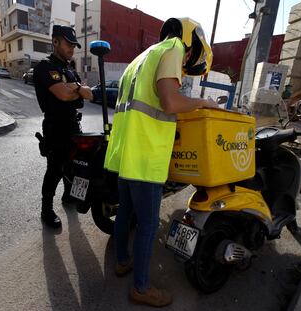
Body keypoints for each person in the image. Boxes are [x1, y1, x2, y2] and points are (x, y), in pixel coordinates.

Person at [104, 17, 218, 307]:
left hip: (126, 153)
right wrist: (203, 103)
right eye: (191, 56)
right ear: (190, 43)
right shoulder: (174, 48)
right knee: (149, 225)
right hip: (146, 155)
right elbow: (170, 102)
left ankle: (121, 261)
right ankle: (141, 288)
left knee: (127, 213)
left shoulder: (140, 59)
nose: (186, 63)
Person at [34, 25, 93, 228]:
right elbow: (63, 94)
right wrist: (77, 90)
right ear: (55, 41)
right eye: (68, 44)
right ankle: (46, 210)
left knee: (76, 165)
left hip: (73, 126)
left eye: (74, 45)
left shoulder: (69, 69)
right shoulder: (45, 66)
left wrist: (74, 88)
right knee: (55, 170)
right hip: (55, 127)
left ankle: (68, 197)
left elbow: (87, 96)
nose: (72, 49)